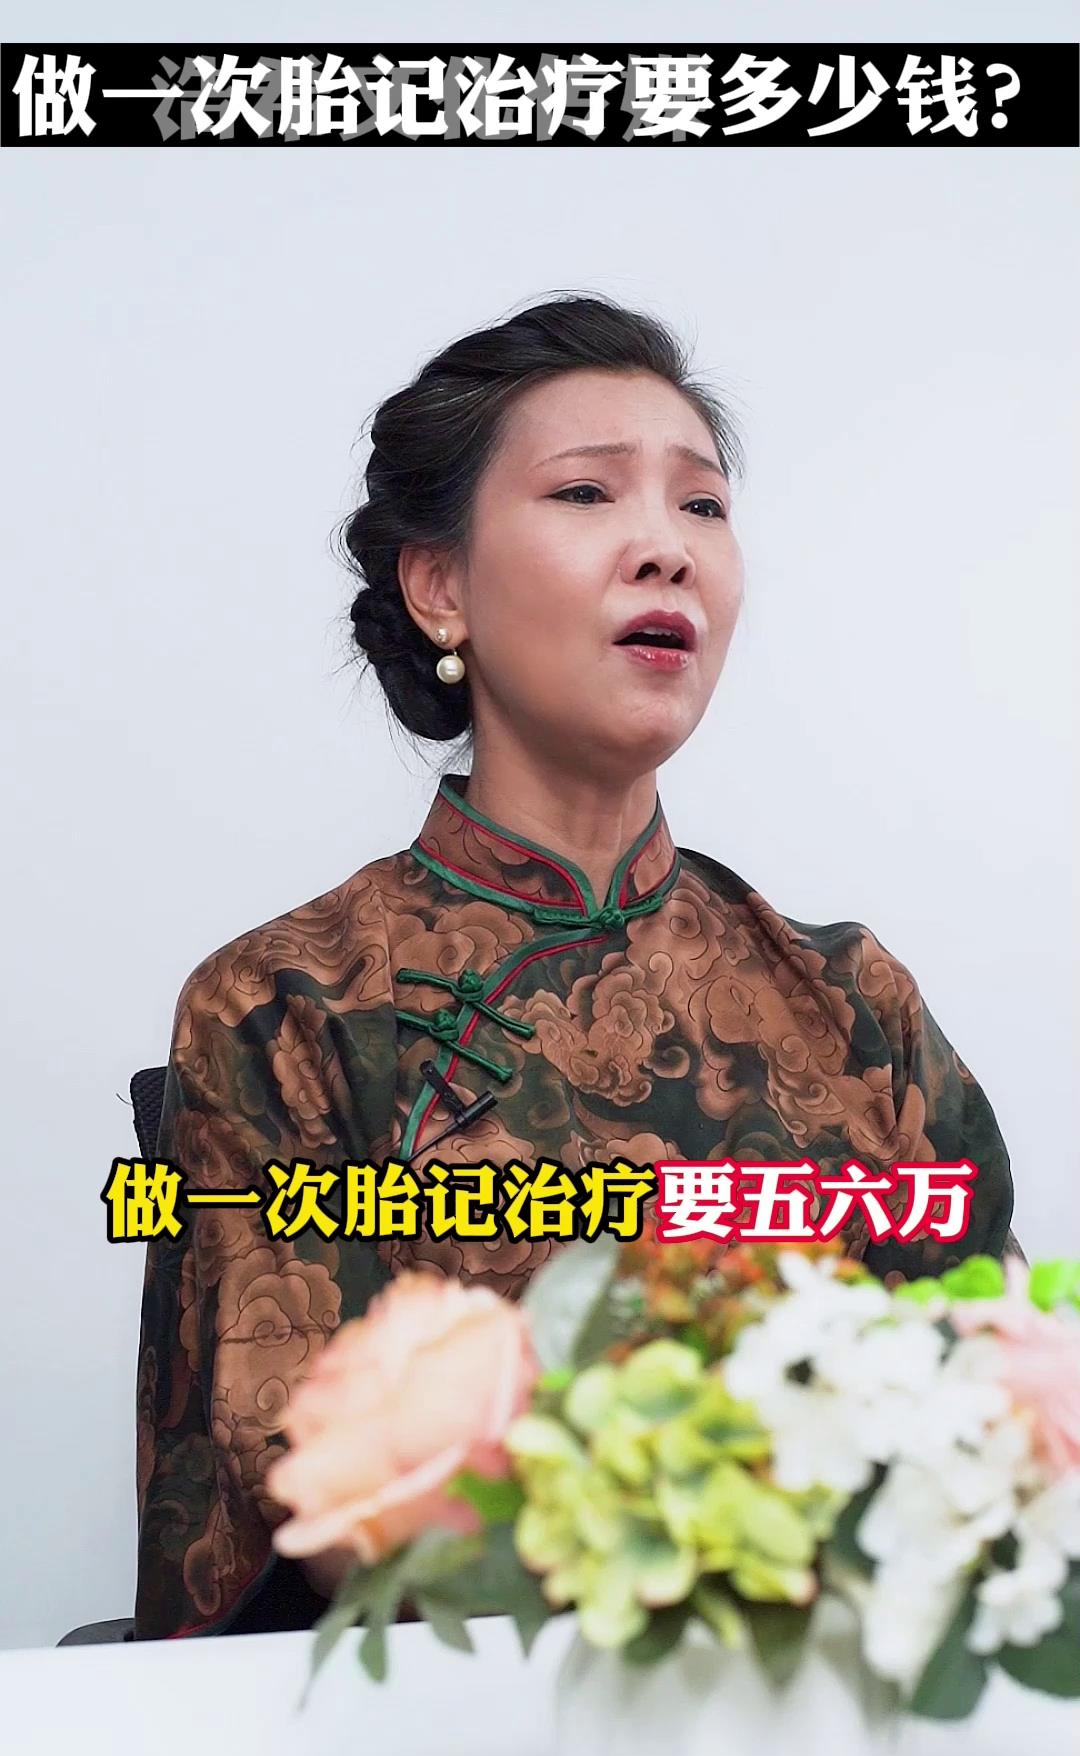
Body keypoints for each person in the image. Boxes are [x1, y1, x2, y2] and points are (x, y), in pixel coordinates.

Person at [134, 292, 1021, 1641]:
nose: (666, 547)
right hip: (460, 1723)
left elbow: (995, 1406)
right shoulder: (285, 1008)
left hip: (837, 1708)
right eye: (587, 493)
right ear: (440, 587)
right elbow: (302, 1489)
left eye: (703, 506)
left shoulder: (851, 1000)